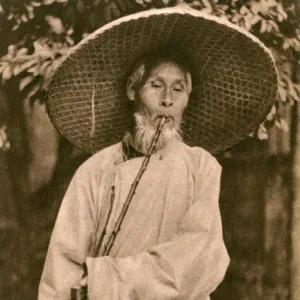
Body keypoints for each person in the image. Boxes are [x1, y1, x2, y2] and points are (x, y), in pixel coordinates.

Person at [38, 6, 278, 300]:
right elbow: (61, 270)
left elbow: (200, 258)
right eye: (156, 86)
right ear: (132, 91)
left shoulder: (200, 167)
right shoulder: (95, 172)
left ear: (187, 100)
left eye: (178, 90)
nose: (167, 101)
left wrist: (104, 281)